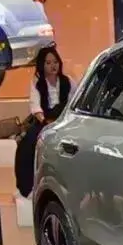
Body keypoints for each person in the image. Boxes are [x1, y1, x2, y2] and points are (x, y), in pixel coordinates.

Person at [18, 46, 76, 197]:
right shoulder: (37, 83)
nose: (53, 66)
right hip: (44, 121)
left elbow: (75, 102)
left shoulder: (68, 81)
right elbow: (36, 107)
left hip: (64, 121)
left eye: (55, 62)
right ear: (42, 65)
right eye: (48, 63)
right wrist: (46, 122)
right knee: (27, 145)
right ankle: (28, 188)